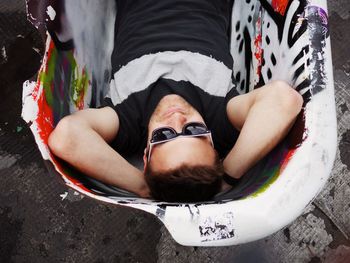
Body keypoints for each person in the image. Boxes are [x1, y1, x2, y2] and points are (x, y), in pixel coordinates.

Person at [48, 0, 303, 202]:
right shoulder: (219, 116)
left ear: (145, 155)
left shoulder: (127, 121)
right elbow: (283, 99)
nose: (178, 118)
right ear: (213, 145)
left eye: (163, 136)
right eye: (194, 131)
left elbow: (67, 136)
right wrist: (229, 174)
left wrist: (140, 186)